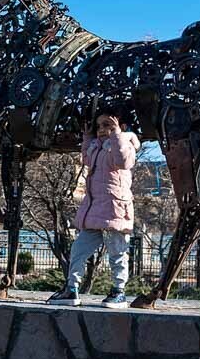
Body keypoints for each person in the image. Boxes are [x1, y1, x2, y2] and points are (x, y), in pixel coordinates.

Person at [50, 112, 140, 308]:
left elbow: (123, 161)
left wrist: (117, 134)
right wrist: (87, 137)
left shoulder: (125, 143)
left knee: (118, 251)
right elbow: (87, 160)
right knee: (79, 250)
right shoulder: (97, 148)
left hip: (115, 208)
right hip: (94, 209)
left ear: (120, 127)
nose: (102, 130)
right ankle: (71, 289)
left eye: (107, 125)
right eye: (99, 126)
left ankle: (119, 291)